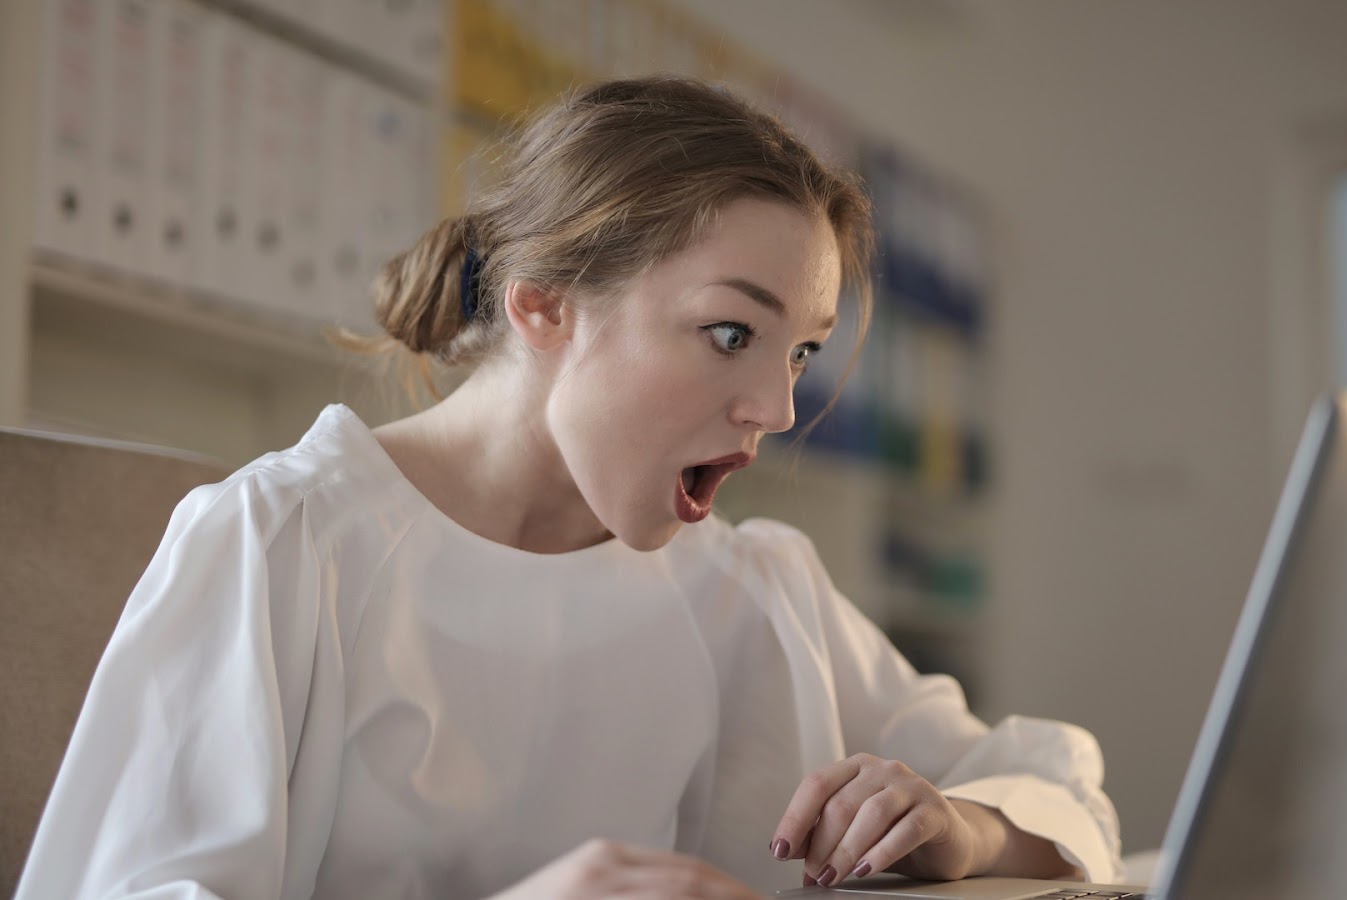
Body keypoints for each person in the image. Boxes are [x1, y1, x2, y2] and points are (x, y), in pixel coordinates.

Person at [17, 76, 1123, 899]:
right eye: (729, 332)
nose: (776, 411)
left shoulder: (753, 584)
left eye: (797, 354)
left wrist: (961, 830)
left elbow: (1045, 782)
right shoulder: (282, 542)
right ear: (542, 305)